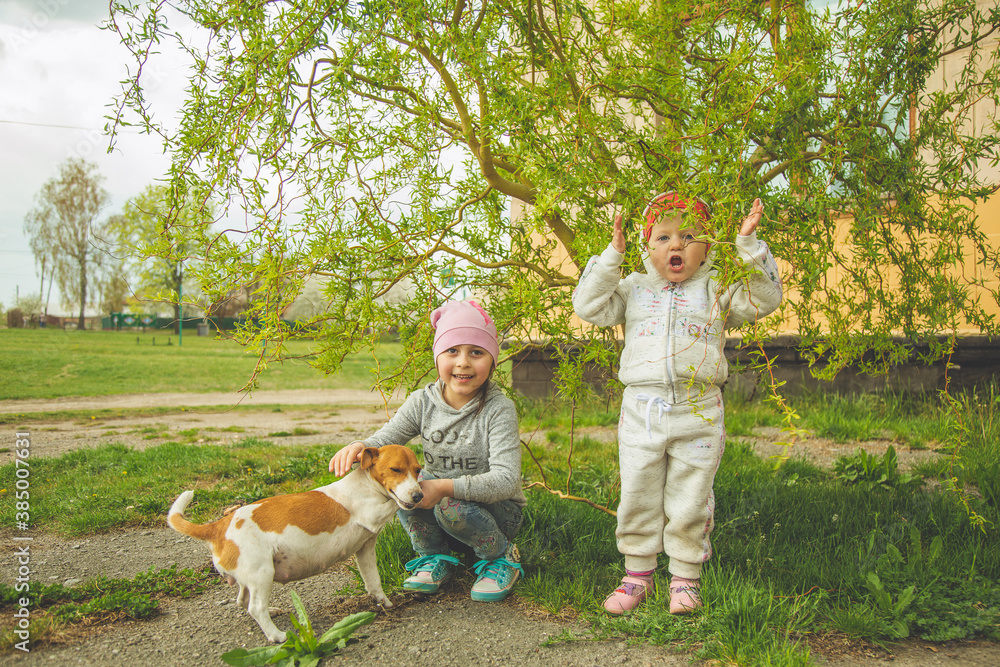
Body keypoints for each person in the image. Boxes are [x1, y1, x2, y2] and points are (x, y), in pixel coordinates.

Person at [573, 191, 783, 614]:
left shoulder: (717, 286)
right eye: (663, 236)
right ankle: (637, 574)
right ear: (648, 245)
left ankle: (685, 578)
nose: (676, 245)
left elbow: (765, 299)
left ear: (707, 245)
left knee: (691, 495)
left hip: (698, 410)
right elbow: (588, 305)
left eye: (689, 235)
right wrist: (611, 258)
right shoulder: (633, 288)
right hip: (642, 410)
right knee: (638, 491)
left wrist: (747, 247)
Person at [329, 300, 526, 602]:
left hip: (499, 513)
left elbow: (507, 480)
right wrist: (360, 446)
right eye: (452, 351)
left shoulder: (499, 410)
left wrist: (445, 487)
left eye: (476, 352)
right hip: (445, 508)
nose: (463, 362)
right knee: (405, 489)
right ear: (437, 358)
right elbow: (386, 438)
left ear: (493, 359)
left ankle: (501, 557)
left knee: (447, 503)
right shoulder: (423, 401)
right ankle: (435, 556)